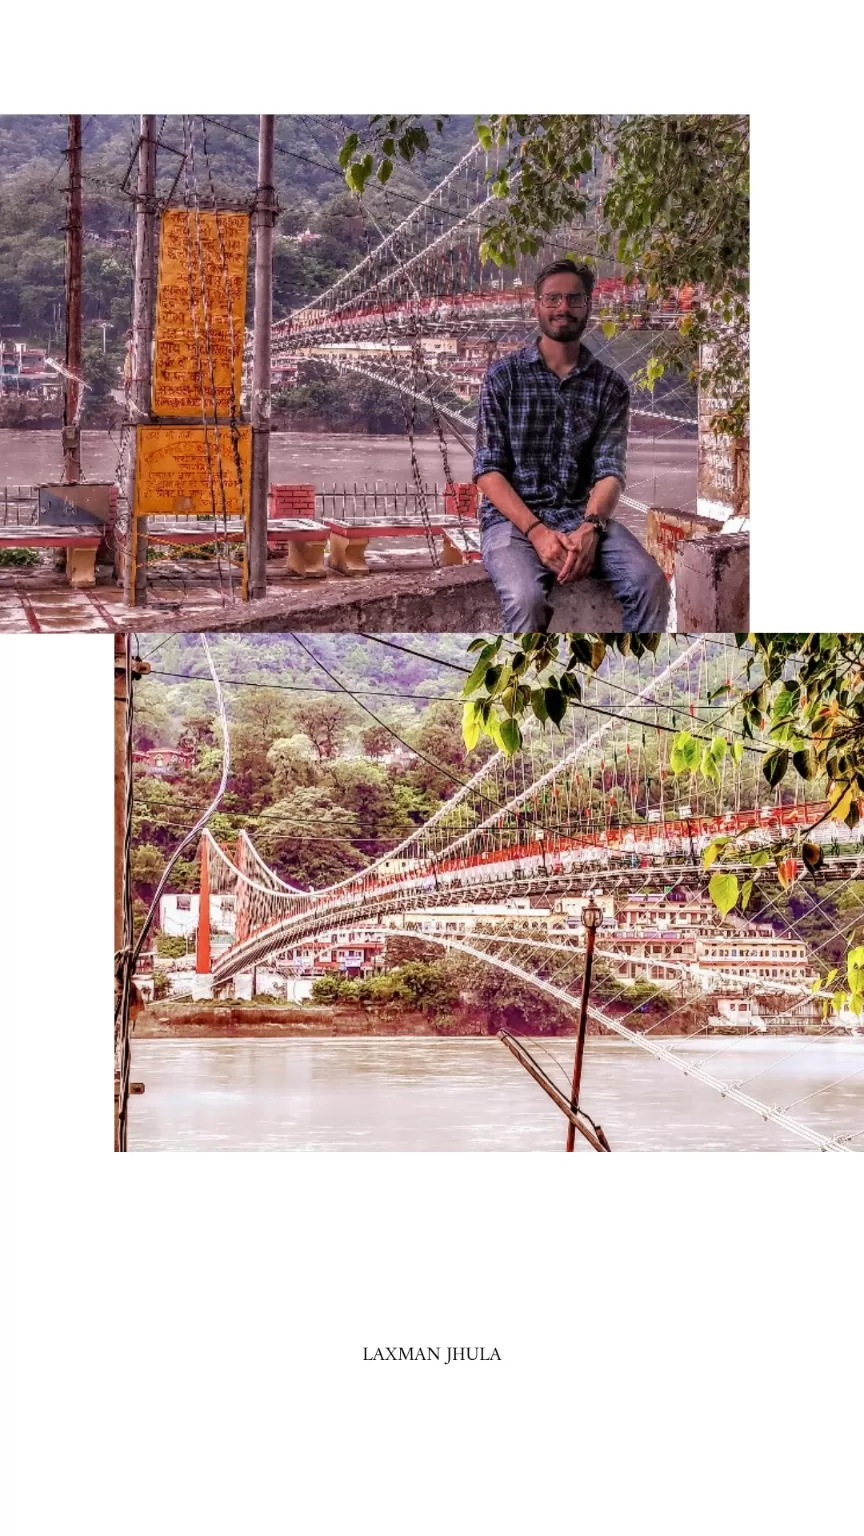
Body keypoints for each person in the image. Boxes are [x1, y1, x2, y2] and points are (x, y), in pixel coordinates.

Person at [473, 258, 670, 633]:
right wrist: (536, 531)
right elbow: (488, 470)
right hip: (511, 522)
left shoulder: (610, 387)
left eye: (573, 299)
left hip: (582, 517)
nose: (563, 308)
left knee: (650, 584)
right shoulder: (504, 377)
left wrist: (590, 527)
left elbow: (610, 471)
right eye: (553, 299)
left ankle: (633, 672)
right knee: (525, 600)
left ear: (588, 305)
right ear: (538, 306)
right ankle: (524, 688)